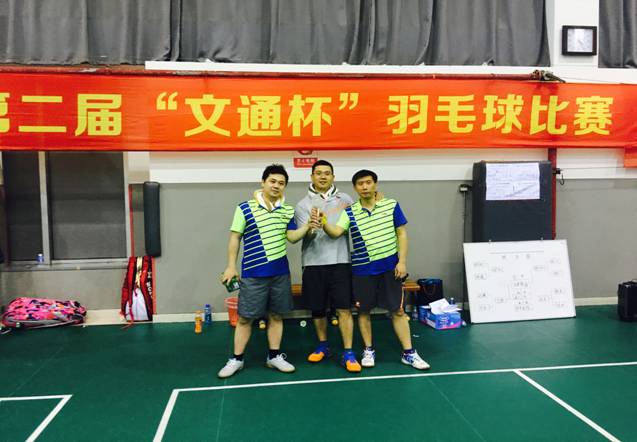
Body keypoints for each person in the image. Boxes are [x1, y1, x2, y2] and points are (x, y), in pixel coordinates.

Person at [321, 169, 430, 370]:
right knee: (363, 312)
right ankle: (368, 350)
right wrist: (324, 222)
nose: (364, 187)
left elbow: (401, 234)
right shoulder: (350, 212)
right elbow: (336, 232)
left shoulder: (391, 205)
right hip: (363, 270)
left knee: (397, 310)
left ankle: (409, 353)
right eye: (360, 184)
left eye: (368, 182)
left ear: (375, 184)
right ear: (355, 188)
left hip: (390, 268)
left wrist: (402, 261)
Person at [218, 164, 317, 378]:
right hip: (253, 273)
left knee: (276, 316)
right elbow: (235, 237)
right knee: (245, 318)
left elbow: (291, 237)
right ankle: (236, 359)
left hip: (280, 273)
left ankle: (274, 356)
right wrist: (231, 266)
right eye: (272, 181)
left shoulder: (288, 210)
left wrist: (307, 226)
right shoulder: (244, 208)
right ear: (263, 182)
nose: (276, 185)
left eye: (281, 183)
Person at [294, 160, 361, 372]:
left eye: (327, 173)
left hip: (341, 261)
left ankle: (348, 352)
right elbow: (305, 236)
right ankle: (323, 346)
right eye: (318, 173)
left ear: (333, 176)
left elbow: (349, 228)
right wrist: (311, 228)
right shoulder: (302, 205)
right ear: (312, 177)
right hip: (313, 263)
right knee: (318, 309)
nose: (323, 177)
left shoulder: (346, 200)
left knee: (343, 308)